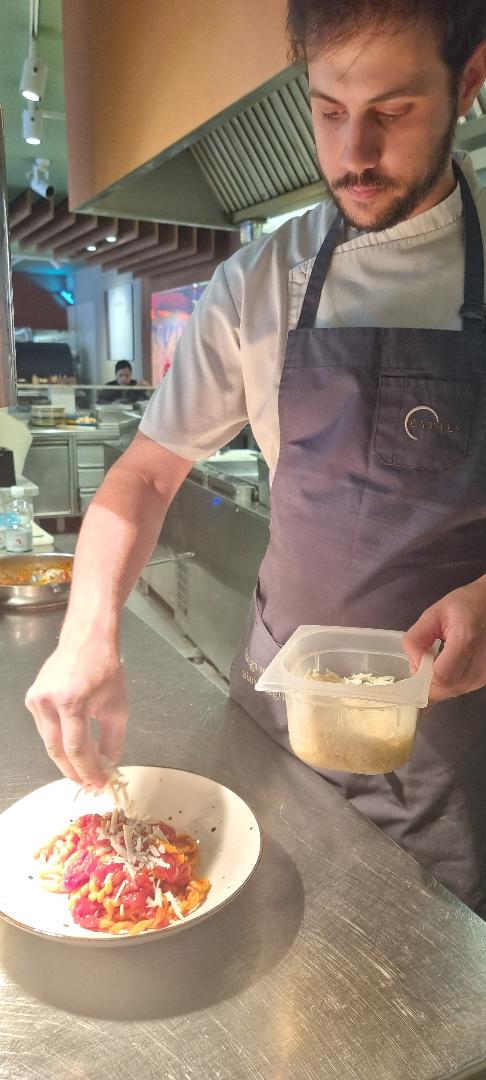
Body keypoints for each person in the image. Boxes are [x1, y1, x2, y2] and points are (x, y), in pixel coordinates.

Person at [26, 0, 486, 916]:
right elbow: (145, 474)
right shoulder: (263, 280)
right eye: (327, 110)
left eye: (392, 112)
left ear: (469, 81)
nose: (353, 152)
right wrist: (88, 633)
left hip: (452, 739)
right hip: (279, 717)